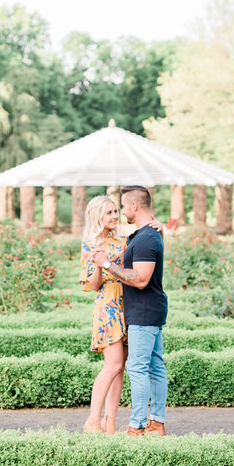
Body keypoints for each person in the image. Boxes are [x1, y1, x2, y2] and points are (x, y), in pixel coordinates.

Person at [92, 185, 168, 436]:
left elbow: (141, 278)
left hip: (143, 311)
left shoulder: (146, 238)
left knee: (137, 368)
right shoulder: (145, 234)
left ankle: (137, 426)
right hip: (147, 310)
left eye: (123, 206)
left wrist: (106, 264)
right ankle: (156, 424)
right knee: (155, 367)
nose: (122, 212)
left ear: (134, 206)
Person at [78, 195, 127, 434]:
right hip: (107, 304)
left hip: (126, 302)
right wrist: (98, 263)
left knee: (120, 367)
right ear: (97, 216)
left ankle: (111, 420)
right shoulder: (89, 245)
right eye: (109, 213)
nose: (115, 216)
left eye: (116, 211)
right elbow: (94, 285)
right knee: (113, 364)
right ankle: (93, 420)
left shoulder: (123, 241)